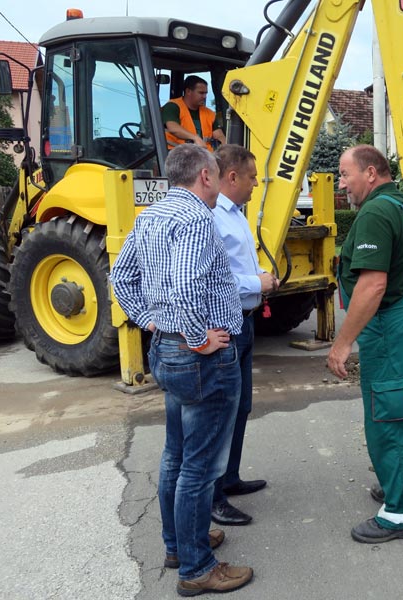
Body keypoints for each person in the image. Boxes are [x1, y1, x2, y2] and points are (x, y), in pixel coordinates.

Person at [109, 144, 253, 596]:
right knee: (199, 467)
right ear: (206, 176)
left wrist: (150, 321)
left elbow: (120, 278)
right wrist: (197, 338)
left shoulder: (150, 216)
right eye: (217, 174)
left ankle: (178, 545)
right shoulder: (196, 219)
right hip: (199, 359)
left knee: (176, 454)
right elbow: (187, 287)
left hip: (167, 352)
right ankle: (196, 568)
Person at [326, 145, 403, 544]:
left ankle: (400, 513)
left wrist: (342, 344)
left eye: (345, 174)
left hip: (392, 325)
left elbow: (373, 285)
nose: (342, 184)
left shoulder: (375, 212)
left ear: (371, 173)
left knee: (392, 416)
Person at [210, 144, 279, 526]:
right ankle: (213, 496)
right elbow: (216, 280)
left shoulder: (236, 214)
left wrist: (261, 278)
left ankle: (229, 477)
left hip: (246, 320)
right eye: (252, 177)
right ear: (232, 176)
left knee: (241, 406)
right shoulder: (213, 218)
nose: (256, 184)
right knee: (223, 411)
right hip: (228, 322)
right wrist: (257, 282)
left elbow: (236, 265)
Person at [163, 75, 226, 151]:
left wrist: (225, 149)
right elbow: (173, 128)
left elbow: (219, 135)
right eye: (201, 93)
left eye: (206, 93)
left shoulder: (210, 113)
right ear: (188, 91)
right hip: (175, 153)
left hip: (204, 155)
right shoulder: (172, 107)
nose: (204, 96)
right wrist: (195, 138)